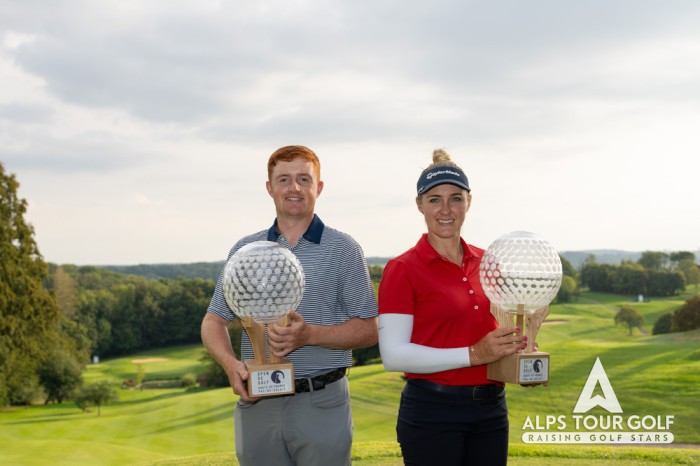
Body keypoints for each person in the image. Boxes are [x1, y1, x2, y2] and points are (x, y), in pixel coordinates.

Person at [202, 145, 378, 466]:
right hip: (258, 403)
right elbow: (214, 320)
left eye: (303, 179)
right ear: (269, 188)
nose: (294, 188)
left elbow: (369, 329)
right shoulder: (246, 250)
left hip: (321, 401)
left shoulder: (344, 249)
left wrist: (309, 335)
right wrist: (231, 366)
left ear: (319, 187)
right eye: (283, 179)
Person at [377, 148, 527, 466]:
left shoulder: (489, 262)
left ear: (468, 202)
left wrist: (520, 356)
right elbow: (393, 355)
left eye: (455, 198)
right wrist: (474, 354)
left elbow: (497, 335)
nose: (446, 209)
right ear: (420, 204)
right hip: (432, 413)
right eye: (435, 199)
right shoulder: (402, 268)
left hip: (490, 410)